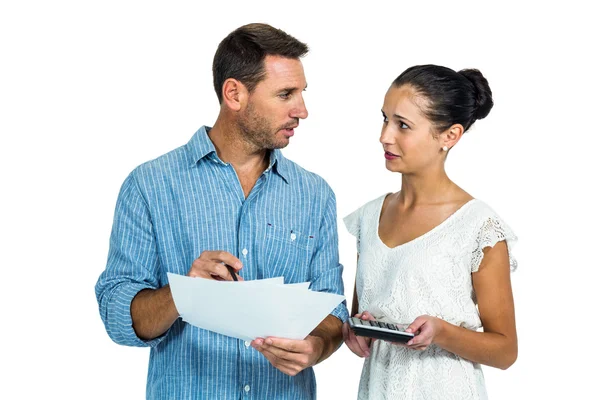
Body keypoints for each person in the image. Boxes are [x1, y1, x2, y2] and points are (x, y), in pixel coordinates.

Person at [95, 23, 348, 399]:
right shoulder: (150, 185)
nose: (303, 110)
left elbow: (333, 312)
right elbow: (118, 316)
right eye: (285, 94)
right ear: (234, 94)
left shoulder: (315, 194)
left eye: (301, 93)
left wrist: (317, 347)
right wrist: (183, 293)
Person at [342, 65, 518, 399]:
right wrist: (358, 328)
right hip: (377, 388)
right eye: (385, 119)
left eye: (403, 125)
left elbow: (506, 350)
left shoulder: (478, 226)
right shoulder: (369, 217)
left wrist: (441, 332)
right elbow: (361, 313)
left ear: (449, 136)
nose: (385, 136)